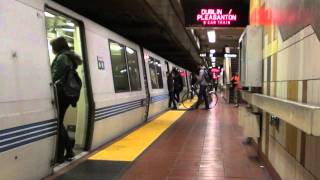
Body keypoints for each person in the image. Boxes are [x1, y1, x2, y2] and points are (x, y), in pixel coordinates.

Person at [51, 37, 82, 163]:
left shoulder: (61, 58)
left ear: (57, 47)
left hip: (61, 93)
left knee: (57, 123)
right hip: (67, 94)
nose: (52, 49)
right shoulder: (68, 57)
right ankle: (68, 151)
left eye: (53, 46)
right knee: (59, 122)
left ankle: (63, 153)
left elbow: (54, 76)